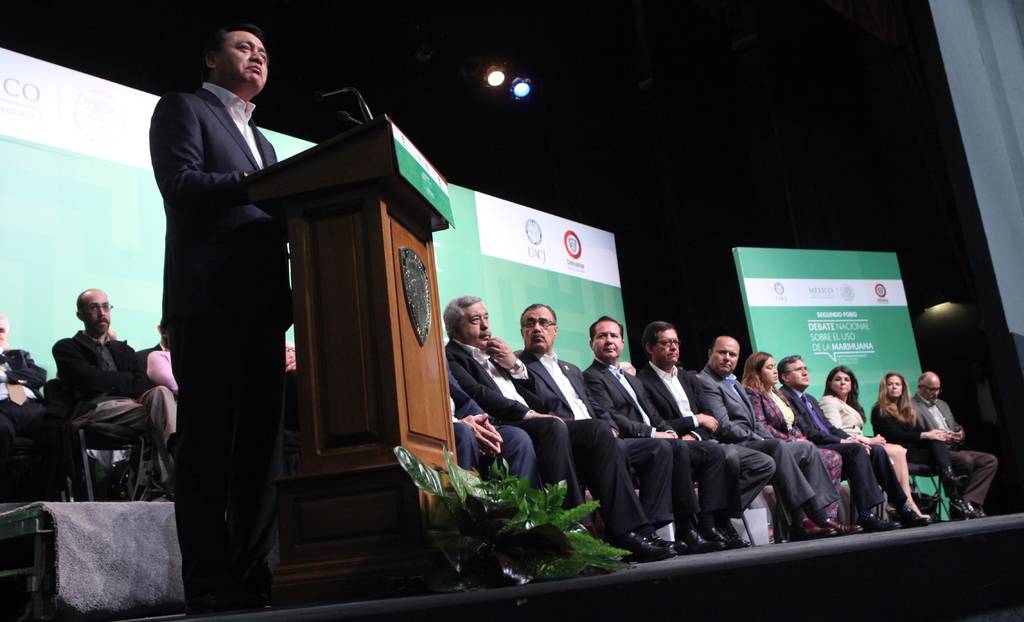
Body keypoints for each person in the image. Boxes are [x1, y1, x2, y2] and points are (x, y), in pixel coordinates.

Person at [149, 23, 290, 612]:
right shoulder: (183, 108)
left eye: (263, 52)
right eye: (243, 47)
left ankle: (254, 575)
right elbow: (179, 183)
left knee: (261, 450)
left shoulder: (264, 142)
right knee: (208, 445)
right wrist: (258, 186)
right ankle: (209, 583)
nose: (257, 57)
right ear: (211, 58)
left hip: (263, 310)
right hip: (208, 304)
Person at [443, 296, 674, 562]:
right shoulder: (452, 356)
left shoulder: (497, 355)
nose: (485, 325)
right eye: (476, 320)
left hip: (534, 418)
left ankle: (629, 531)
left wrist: (514, 365)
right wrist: (529, 413)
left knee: (598, 430)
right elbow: (476, 393)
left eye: (486, 318)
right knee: (554, 426)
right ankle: (575, 528)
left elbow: (538, 398)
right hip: (507, 423)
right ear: (456, 328)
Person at [579, 314, 732, 552]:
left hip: (656, 439)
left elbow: (653, 414)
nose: (609, 341)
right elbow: (613, 417)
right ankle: (681, 528)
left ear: (622, 343)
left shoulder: (630, 378)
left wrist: (668, 431)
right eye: (602, 336)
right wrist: (653, 434)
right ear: (591, 344)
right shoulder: (591, 376)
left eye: (614, 336)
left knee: (713, 451)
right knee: (672, 447)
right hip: (629, 441)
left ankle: (707, 524)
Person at [636, 321, 775, 543]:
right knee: (726, 455)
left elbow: (711, 418)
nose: (673, 347)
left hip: (702, 440)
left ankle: (719, 516)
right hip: (673, 443)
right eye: (666, 343)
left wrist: (696, 434)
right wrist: (694, 420)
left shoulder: (688, 378)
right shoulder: (641, 381)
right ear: (650, 348)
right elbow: (656, 421)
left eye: (676, 342)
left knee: (763, 463)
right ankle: (712, 523)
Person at [697, 336, 839, 540]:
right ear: (710, 353)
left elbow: (755, 422)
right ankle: (814, 517)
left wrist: (767, 438)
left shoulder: (733, 382)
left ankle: (812, 518)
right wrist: (762, 440)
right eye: (722, 352)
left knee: (807, 449)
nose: (727, 358)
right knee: (776, 448)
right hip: (733, 443)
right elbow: (724, 425)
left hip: (752, 441)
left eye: (733, 354)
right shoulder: (705, 382)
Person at [777, 356, 926, 529]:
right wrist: (845, 441)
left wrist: (851, 438)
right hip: (813, 447)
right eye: (798, 369)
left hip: (829, 441)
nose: (805, 372)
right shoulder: (785, 397)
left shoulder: (809, 398)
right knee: (856, 450)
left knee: (877, 450)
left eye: (805, 368)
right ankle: (865, 514)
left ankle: (902, 507)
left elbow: (829, 427)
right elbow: (809, 432)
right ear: (785, 377)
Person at [51, 290, 176, 492]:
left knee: (161, 392)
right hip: (95, 408)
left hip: (132, 407)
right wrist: (125, 380)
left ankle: (168, 480)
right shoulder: (67, 348)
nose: (102, 313)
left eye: (105, 307)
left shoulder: (124, 350)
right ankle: (176, 478)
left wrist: (109, 380)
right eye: (94, 307)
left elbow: (142, 384)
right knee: (165, 413)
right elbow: (89, 382)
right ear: (80, 315)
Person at [739, 352, 851, 532]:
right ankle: (817, 519)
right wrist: (793, 440)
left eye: (775, 367)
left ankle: (828, 516)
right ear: (757, 372)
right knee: (821, 454)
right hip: (775, 446)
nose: (775, 371)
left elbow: (793, 423)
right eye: (769, 368)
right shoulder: (753, 393)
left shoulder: (777, 394)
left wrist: (800, 438)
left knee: (833, 457)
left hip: (793, 444)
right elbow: (761, 426)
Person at [819, 365, 927, 519]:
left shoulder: (848, 403)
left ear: (852, 384)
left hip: (860, 442)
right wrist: (869, 440)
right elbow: (835, 430)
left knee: (898, 449)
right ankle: (905, 502)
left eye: (846, 379)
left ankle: (902, 501)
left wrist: (870, 439)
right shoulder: (829, 402)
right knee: (896, 451)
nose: (843, 382)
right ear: (830, 384)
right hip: (850, 447)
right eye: (838, 379)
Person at [871, 372, 978, 519]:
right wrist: (925, 435)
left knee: (937, 440)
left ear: (903, 388)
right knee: (936, 443)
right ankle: (952, 489)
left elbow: (917, 432)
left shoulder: (907, 409)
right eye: (890, 384)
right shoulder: (880, 409)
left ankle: (949, 479)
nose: (894, 387)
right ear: (884, 388)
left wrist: (936, 434)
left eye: (897, 384)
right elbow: (895, 436)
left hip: (916, 451)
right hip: (898, 454)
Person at [912, 372, 997, 516]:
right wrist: (939, 436)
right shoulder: (911, 406)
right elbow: (914, 432)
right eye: (931, 389)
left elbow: (954, 426)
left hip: (953, 448)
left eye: (938, 389)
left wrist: (959, 433)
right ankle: (957, 503)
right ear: (920, 387)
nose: (935, 393)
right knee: (965, 461)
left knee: (989, 461)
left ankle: (969, 502)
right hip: (933, 452)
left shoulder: (942, 404)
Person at [448, 369, 539, 487]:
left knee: (516, 438)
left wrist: (481, 420)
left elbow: (464, 400)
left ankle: (521, 499)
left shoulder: (439, 359)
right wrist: (456, 422)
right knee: (463, 432)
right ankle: (466, 497)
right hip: (442, 427)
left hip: (464, 421)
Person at [0, 314, 48, 491]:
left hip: (32, 407)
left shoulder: (19, 355)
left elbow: (39, 376)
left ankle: (52, 494)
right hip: (2, 410)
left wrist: (4, 376)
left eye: (2, 330)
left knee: (60, 428)